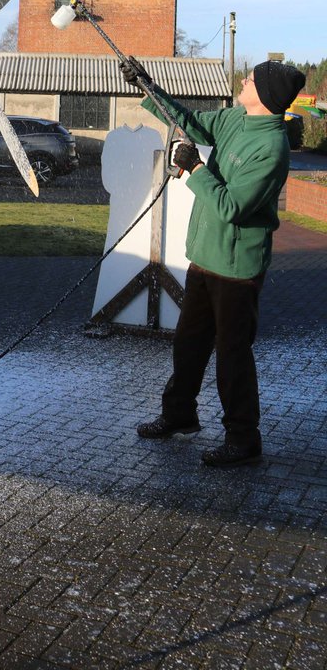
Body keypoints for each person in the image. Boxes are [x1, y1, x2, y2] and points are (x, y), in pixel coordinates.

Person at [119, 57, 306, 468]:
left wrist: (194, 168)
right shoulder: (236, 119)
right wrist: (147, 86)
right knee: (189, 344)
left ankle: (243, 439)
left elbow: (233, 206)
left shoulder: (271, 148)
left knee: (232, 355)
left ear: (266, 95)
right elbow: (190, 118)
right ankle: (179, 415)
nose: (244, 80)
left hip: (237, 270)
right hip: (205, 257)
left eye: (251, 78)